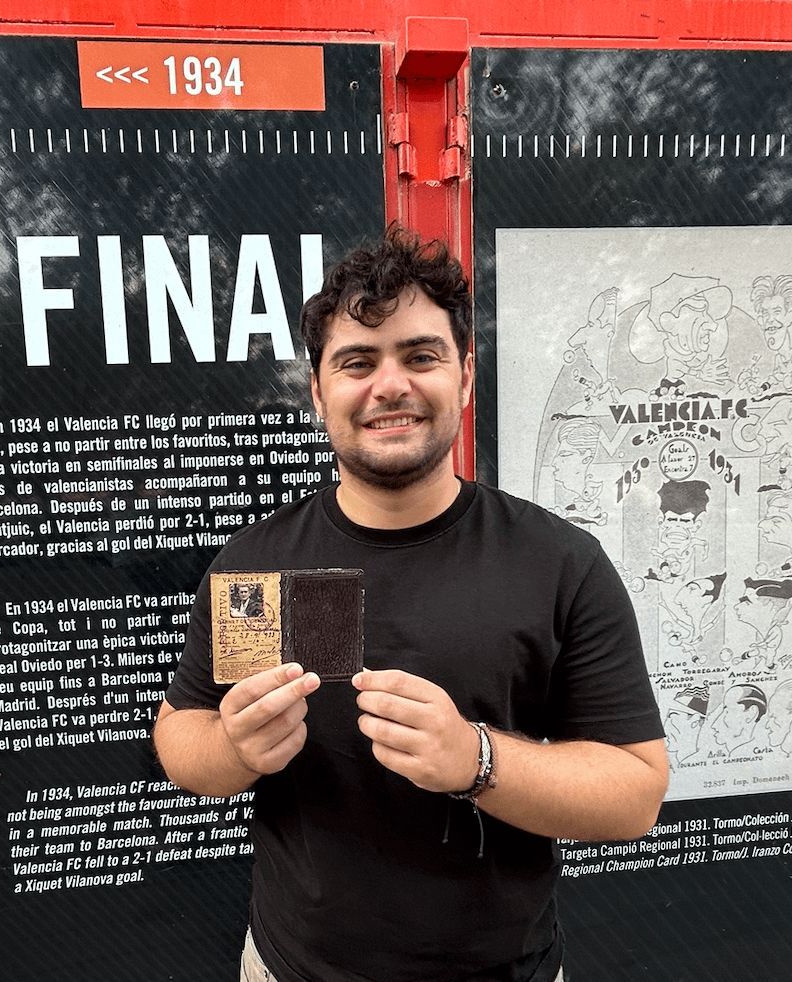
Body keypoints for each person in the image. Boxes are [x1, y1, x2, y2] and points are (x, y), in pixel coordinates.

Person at [153, 227, 667, 982]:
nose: (389, 385)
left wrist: (476, 760)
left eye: (419, 356)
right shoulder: (258, 563)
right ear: (319, 390)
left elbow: (634, 796)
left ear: (463, 377)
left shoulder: (558, 563)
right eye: (357, 362)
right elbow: (182, 736)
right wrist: (235, 751)